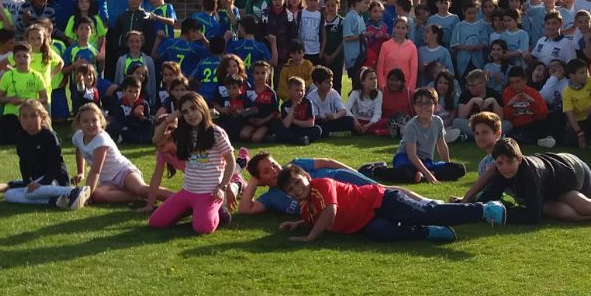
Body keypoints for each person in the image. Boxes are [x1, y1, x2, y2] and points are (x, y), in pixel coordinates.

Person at [275, 164, 504, 244]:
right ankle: (428, 233)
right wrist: (299, 224)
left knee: (426, 212)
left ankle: (484, 210)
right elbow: (315, 216)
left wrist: (310, 237)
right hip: (367, 222)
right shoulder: (305, 207)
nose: (296, 189)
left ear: (307, 176)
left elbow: (330, 211)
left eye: (297, 182)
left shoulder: (322, 184)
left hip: (382, 200)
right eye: (291, 189)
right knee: (382, 233)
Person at [474, 139, 591, 224]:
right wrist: (471, 207)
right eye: (500, 163)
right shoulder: (500, 171)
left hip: (572, 171)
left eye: (509, 162)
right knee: (566, 214)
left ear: (519, 159)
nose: (505, 167)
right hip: (550, 188)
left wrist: (504, 214)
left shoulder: (531, 172)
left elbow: (532, 216)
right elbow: (489, 196)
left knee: (587, 206)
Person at [144, 93, 238, 234]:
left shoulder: (217, 133)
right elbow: (156, 139)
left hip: (209, 193)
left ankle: (219, 211)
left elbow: (230, 162)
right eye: (185, 111)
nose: (191, 114)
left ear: (202, 107)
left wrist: (222, 188)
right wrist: (171, 117)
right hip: (187, 191)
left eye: (194, 108)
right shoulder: (183, 133)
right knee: (155, 222)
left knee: (202, 228)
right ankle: (193, 209)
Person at [359, 87, 466, 184]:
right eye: (419, 103)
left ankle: (422, 176)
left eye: (428, 103)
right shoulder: (412, 126)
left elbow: (441, 145)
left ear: (436, 106)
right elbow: (412, 155)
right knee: (406, 174)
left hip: (426, 161)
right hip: (405, 159)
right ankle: (376, 170)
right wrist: (428, 174)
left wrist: (447, 165)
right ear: (414, 106)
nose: (424, 107)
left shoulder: (438, 121)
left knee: (460, 169)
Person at [4, 99, 89, 209]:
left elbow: (56, 167)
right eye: (24, 116)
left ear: (42, 117)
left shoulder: (49, 136)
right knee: (8, 194)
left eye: (33, 116)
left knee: (30, 193)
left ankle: (71, 191)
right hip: (37, 180)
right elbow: (23, 163)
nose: (28, 120)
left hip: (54, 179)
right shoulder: (20, 136)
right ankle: (54, 200)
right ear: (19, 118)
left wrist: (42, 183)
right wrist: (28, 182)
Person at [237, 150, 374, 216]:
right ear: (260, 179)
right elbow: (244, 210)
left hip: (340, 179)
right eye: (266, 171)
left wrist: (355, 173)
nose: (274, 171)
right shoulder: (271, 198)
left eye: (274, 165)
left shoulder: (295, 165)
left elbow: (326, 162)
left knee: (379, 191)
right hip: (336, 205)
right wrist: (253, 181)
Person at [68, 102, 151, 205]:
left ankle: (170, 197)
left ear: (101, 121)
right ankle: (135, 197)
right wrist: (81, 172)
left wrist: (86, 197)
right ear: (79, 123)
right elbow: (79, 150)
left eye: (94, 120)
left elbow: (95, 171)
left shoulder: (101, 139)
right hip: (108, 181)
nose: (90, 124)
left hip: (124, 173)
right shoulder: (77, 137)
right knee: (97, 195)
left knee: (142, 189)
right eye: (85, 121)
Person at [0, 43, 47, 143]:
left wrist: (26, 102)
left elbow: (44, 99)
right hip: (11, 114)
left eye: (25, 56)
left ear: (31, 58)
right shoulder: (7, 75)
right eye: (18, 56)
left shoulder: (37, 76)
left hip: (30, 114)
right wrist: (9, 99)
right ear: (14, 59)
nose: (22, 59)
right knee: (8, 140)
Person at [376, 16, 419, 93]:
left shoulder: (412, 47)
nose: (400, 30)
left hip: (404, 88)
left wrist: (410, 90)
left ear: (407, 30)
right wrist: (382, 86)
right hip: (388, 87)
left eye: (403, 28)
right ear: (394, 28)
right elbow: (380, 67)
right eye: (398, 27)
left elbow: (414, 71)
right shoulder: (385, 45)